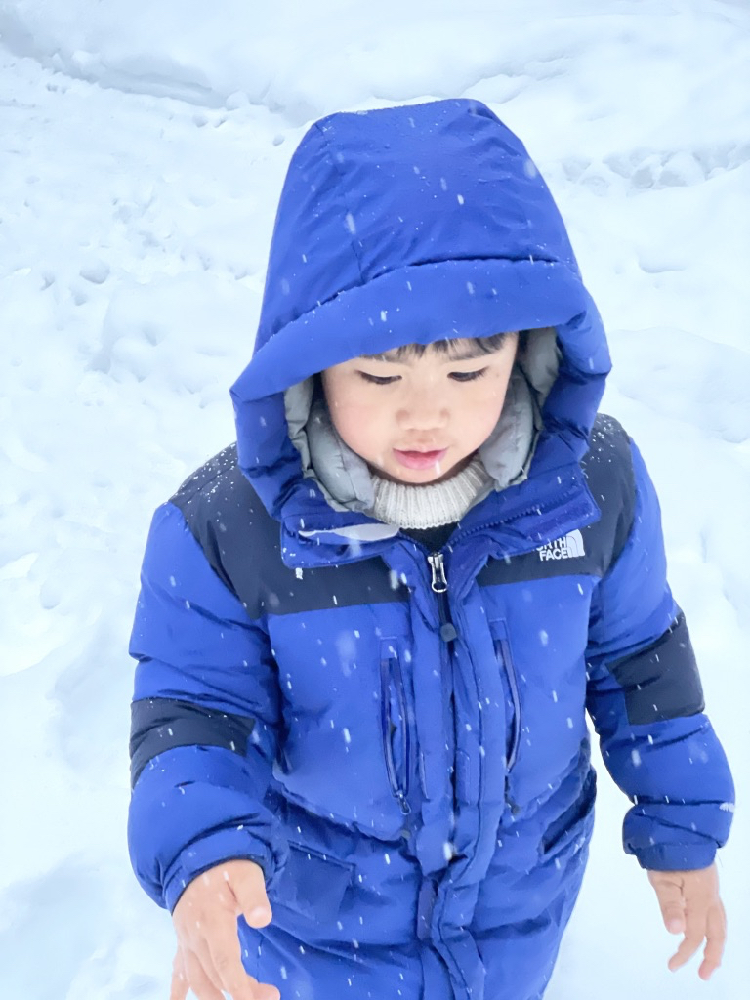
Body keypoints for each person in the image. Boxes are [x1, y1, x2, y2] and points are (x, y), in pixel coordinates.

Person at [127, 99, 734, 1000]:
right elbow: (197, 715)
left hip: (516, 915)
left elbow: (640, 662)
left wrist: (681, 817)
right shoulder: (228, 531)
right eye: (379, 375)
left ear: (528, 348)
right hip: (320, 937)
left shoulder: (589, 490)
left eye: (468, 370)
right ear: (308, 363)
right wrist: (204, 850)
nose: (426, 415)